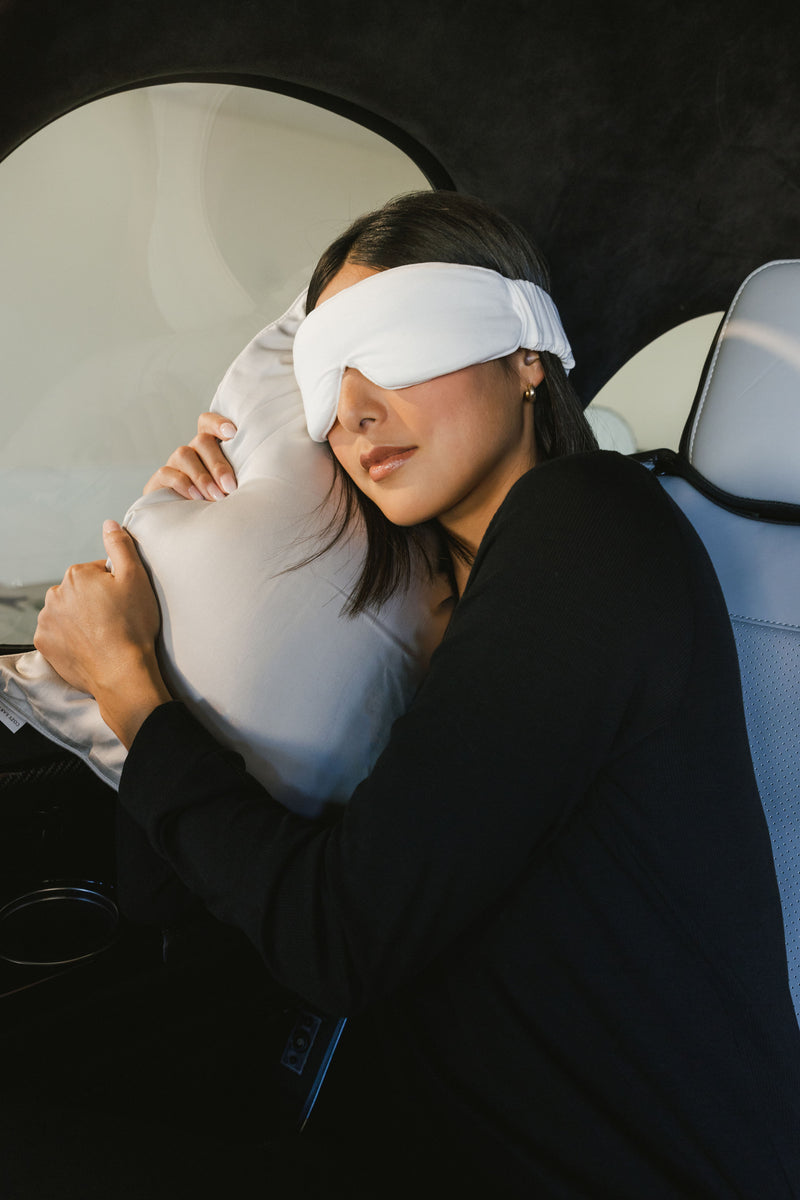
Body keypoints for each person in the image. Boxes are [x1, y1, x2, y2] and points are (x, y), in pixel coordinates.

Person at [32, 191, 800, 1198]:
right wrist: (184, 589)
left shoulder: (591, 531)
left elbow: (340, 941)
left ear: (526, 353)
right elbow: (171, 902)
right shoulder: (414, 612)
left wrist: (130, 691)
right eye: (324, 373)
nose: (351, 406)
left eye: (392, 341)